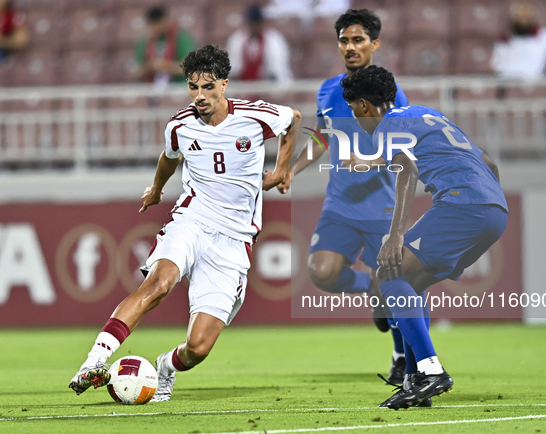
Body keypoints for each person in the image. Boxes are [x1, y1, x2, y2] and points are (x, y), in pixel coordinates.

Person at [69, 45, 302, 402]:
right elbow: (169, 156)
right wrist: (157, 189)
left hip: (234, 239)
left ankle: (165, 366)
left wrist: (283, 169)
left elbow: (294, 119)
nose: (200, 95)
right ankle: (93, 361)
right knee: (158, 284)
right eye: (193, 87)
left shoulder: (255, 116)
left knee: (198, 348)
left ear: (225, 84)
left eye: (208, 87)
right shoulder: (180, 124)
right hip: (192, 219)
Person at [341, 65, 508, 409]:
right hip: (495, 210)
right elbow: (488, 163)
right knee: (409, 285)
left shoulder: (386, 126)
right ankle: (417, 379)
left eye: (353, 110)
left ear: (364, 106)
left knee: (388, 272)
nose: (355, 118)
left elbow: (408, 170)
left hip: (463, 205)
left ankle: (429, 372)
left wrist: (395, 235)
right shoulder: (425, 114)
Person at [277, 9, 410, 386]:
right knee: (323, 272)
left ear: (374, 44)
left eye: (358, 40)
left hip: (383, 206)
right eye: (344, 41)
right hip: (340, 204)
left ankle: (402, 357)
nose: (350, 47)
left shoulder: (390, 92)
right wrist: (291, 169)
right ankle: (370, 288)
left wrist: (369, 161)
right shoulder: (328, 89)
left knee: (396, 287)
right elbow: (321, 135)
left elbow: (404, 144)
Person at [491, 2, 546, 79]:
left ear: (532, 18)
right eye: (519, 17)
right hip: (507, 84)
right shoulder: (504, 39)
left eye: (526, 17)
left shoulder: (544, 35)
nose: (522, 20)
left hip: (534, 85)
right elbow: (495, 65)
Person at [226, 4, 293, 82]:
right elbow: (233, 71)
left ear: (262, 23)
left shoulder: (274, 41)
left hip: (267, 87)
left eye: (257, 24)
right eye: (252, 24)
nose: (254, 27)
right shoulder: (236, 41)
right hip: (243, 88)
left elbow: (277, 72)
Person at [133, 5, 197, 85]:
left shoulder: (181, 37)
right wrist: (149, 67)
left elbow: (191, 67)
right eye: (152, 25)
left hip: (177, 85)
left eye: (158, 24)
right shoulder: (145, 40)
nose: (156, 28)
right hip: (151, 87)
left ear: (166, 20)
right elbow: (136, 70)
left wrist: (166, 66)